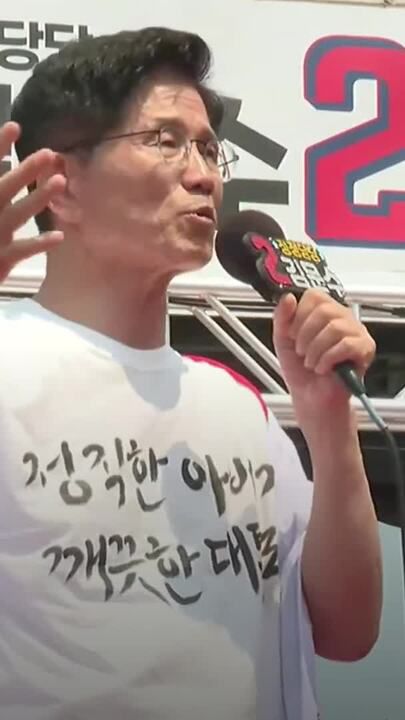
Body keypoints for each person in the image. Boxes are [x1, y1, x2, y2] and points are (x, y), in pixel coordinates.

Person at [0, 27, 381, 720]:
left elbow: (347, 632)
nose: (204, 176)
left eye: (208, 148)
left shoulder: (238, 405)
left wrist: (331, 428)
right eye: (164, 141)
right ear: (59, 183)